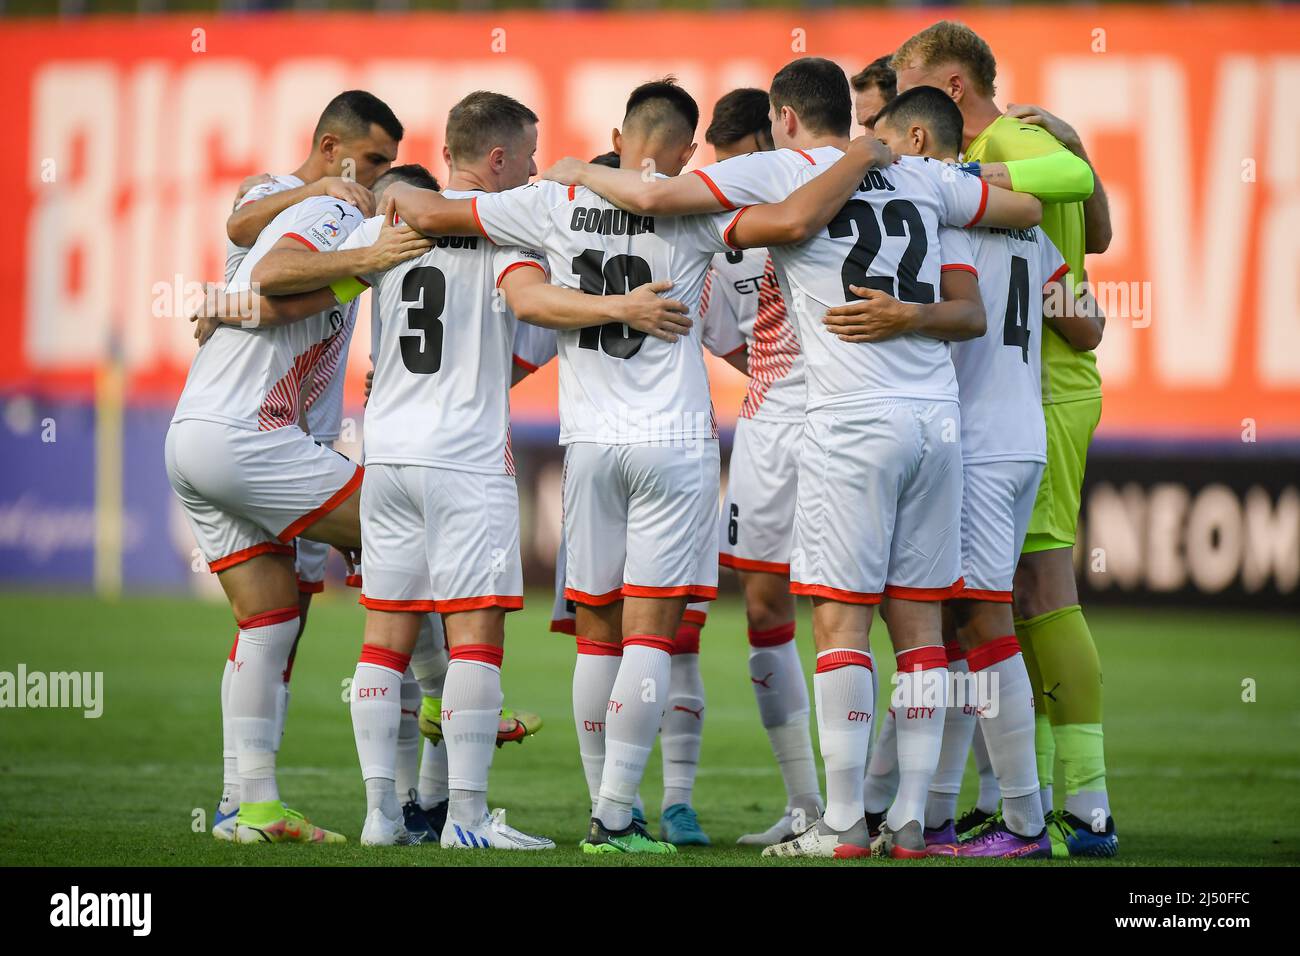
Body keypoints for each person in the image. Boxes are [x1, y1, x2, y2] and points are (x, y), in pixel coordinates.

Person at [539, 56, 1043, 859]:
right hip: (939, 425)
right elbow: (1027, 204)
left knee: (837, 616)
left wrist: (570, 170)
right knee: (919, 623)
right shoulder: (918, 175)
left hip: (845, 421)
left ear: (782, 118)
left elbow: (650, 194)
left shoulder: (781, 168)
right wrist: (960, 168)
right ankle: (913, 818)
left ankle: (839, 820)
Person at [385, 77, 897, 854]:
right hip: (675, 443)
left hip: (588, 447)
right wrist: (863, 156)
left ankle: (600, 803)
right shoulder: (698, 208)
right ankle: (618, 815)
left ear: (619, 134)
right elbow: (797, 220)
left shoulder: (548, 202)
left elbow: (430, 210)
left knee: (598, 634)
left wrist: (367, 210)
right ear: (688, 151)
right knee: (653, 637)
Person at [893, 20, 1118, 855]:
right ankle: (1037, 804)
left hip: (1031, 400)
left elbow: (1069, 178)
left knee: (1031, 596)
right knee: (1000, 609)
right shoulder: (1014, 196)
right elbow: (1091, 250)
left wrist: (972, 170)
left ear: (946, 90)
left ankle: (1076, 807)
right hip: (1038, 388)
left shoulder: (999, 154)